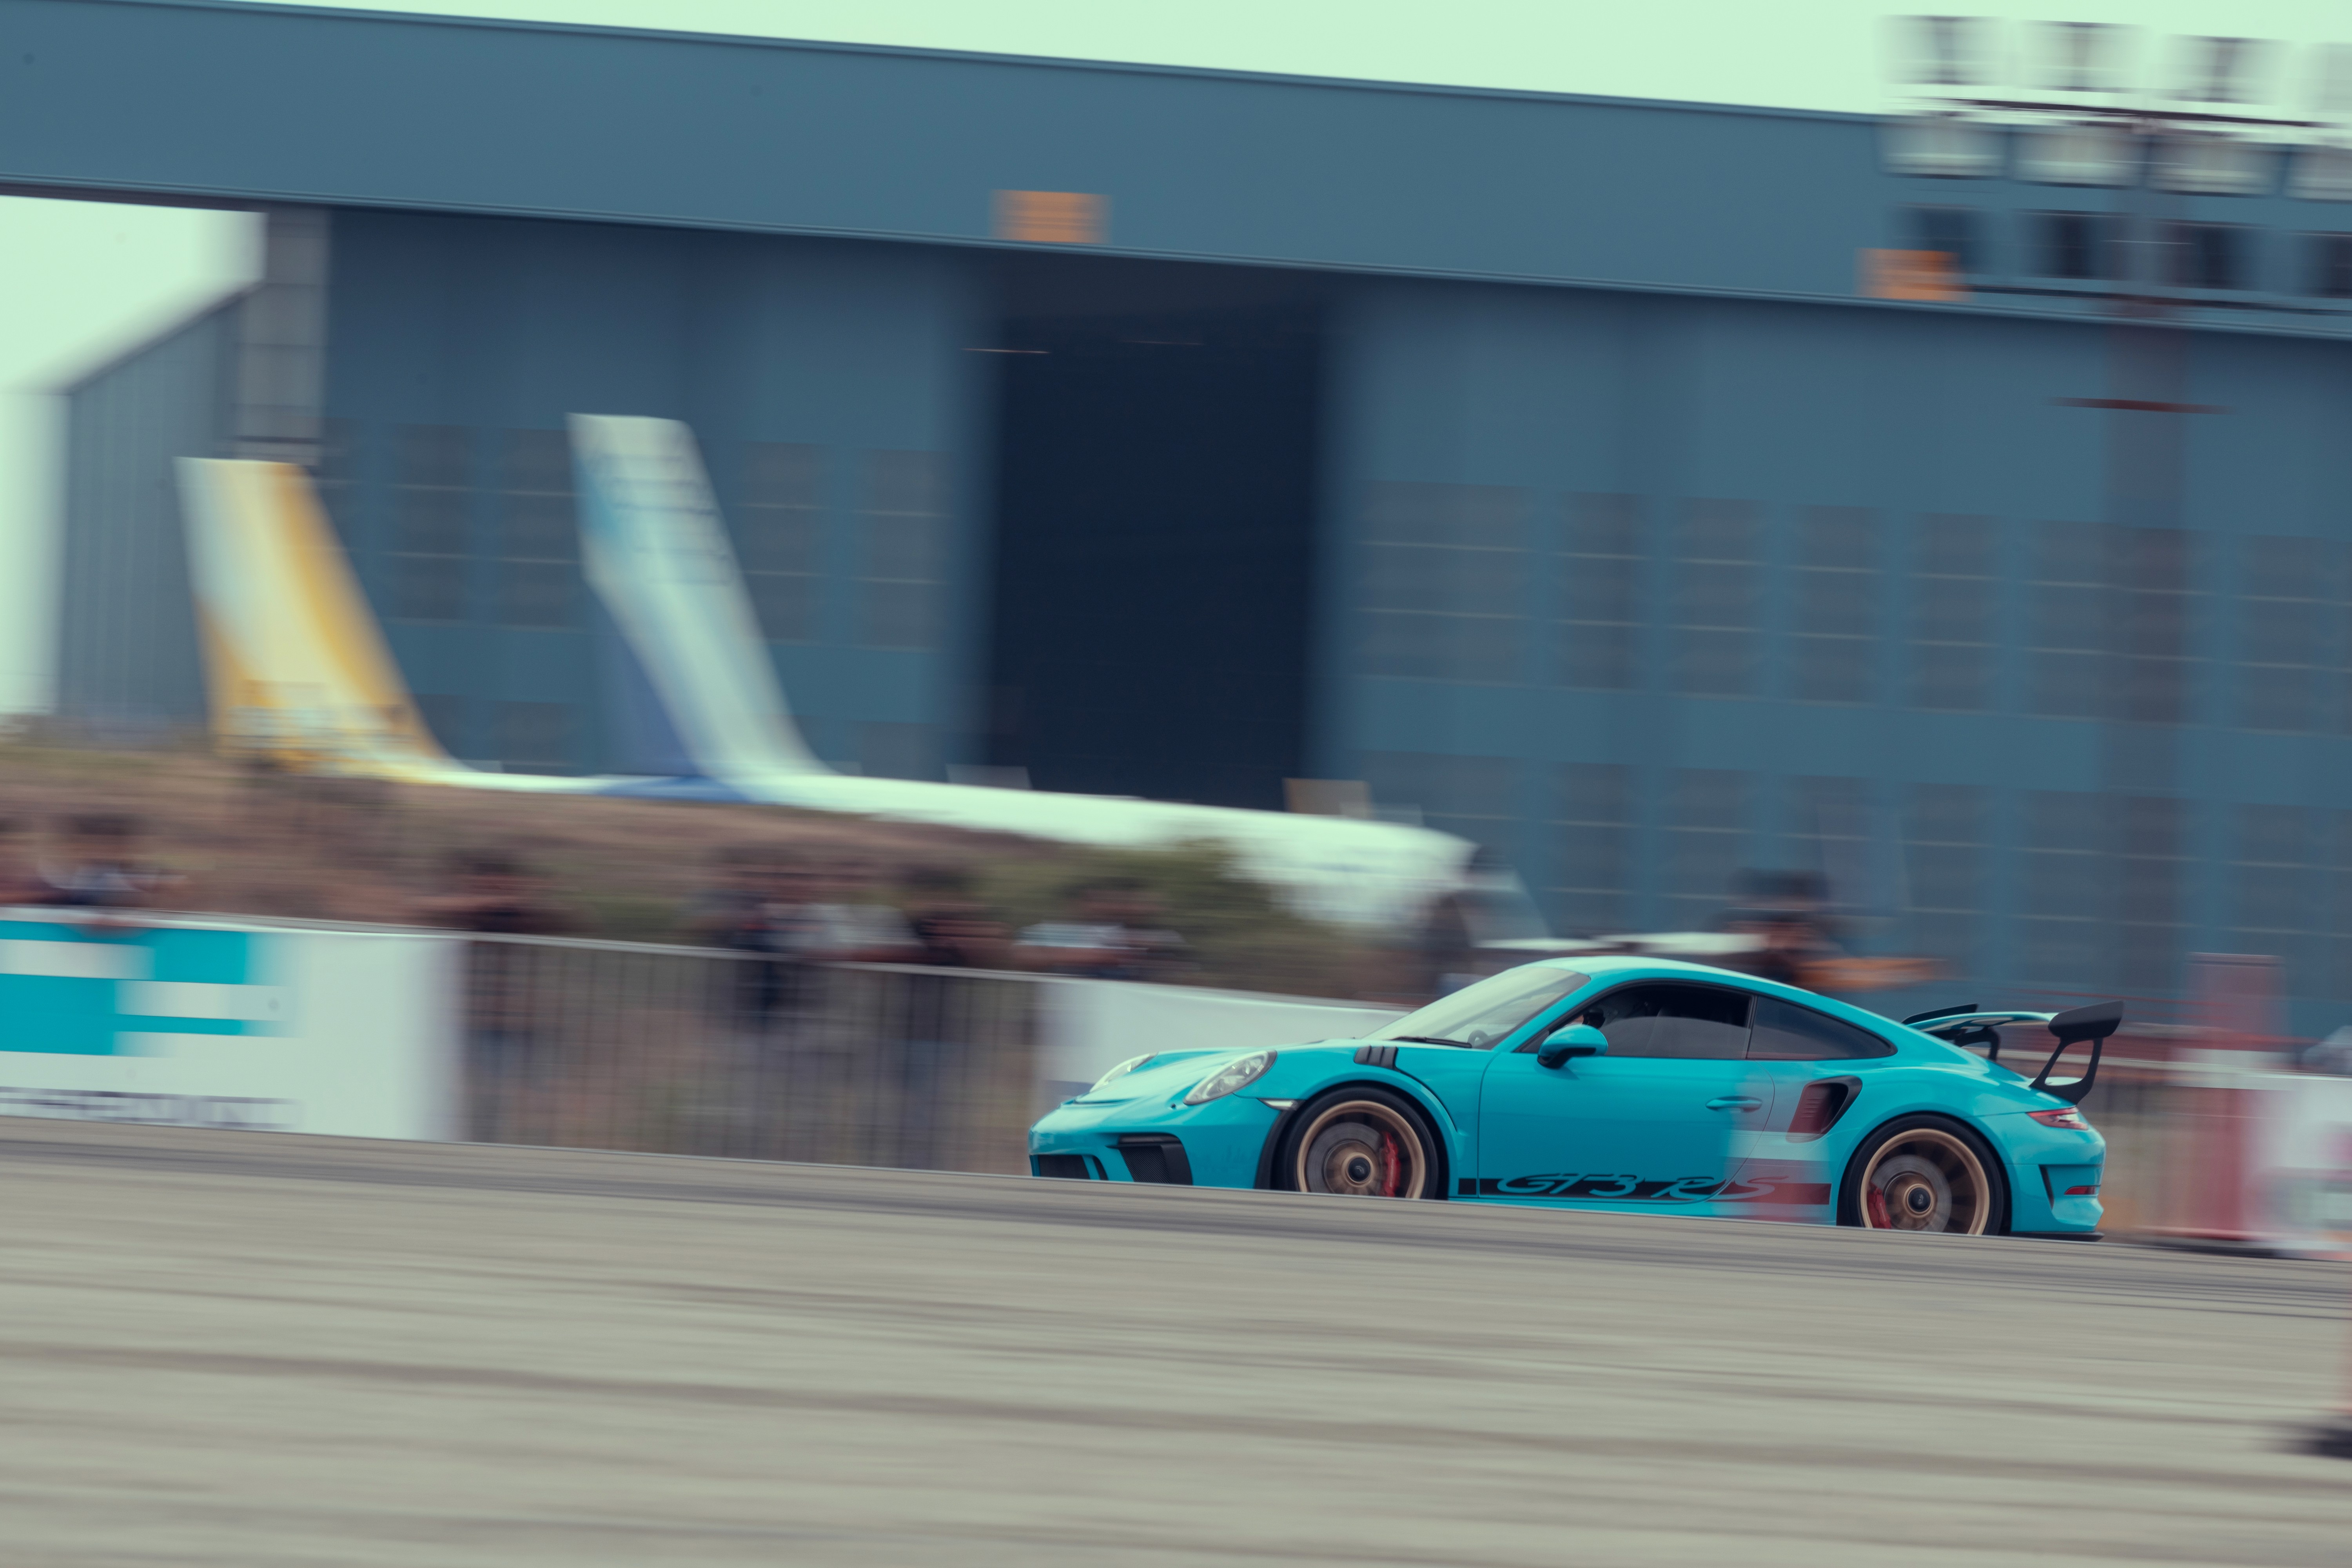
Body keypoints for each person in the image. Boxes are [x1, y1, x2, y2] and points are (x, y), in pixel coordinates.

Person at [415, 851, 572, 1141]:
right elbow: (421, 910)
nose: (497, 896)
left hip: (521, 1022)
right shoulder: (464, 914)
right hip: (467, 1020)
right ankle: (468, 1140)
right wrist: (484, 903)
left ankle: (525, 1143)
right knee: (468, 1089)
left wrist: (517, 903)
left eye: (503, 887)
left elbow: (569, 919)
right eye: (489, 887)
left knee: (526, 1093)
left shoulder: (525, 917)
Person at [1014, 877, 1190, 982]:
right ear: (1074, 903)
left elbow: (1181, 971)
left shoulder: (1159, 936)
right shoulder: (1046, 932)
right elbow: (1023, 957)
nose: (1101, 906)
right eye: (1092, 900)